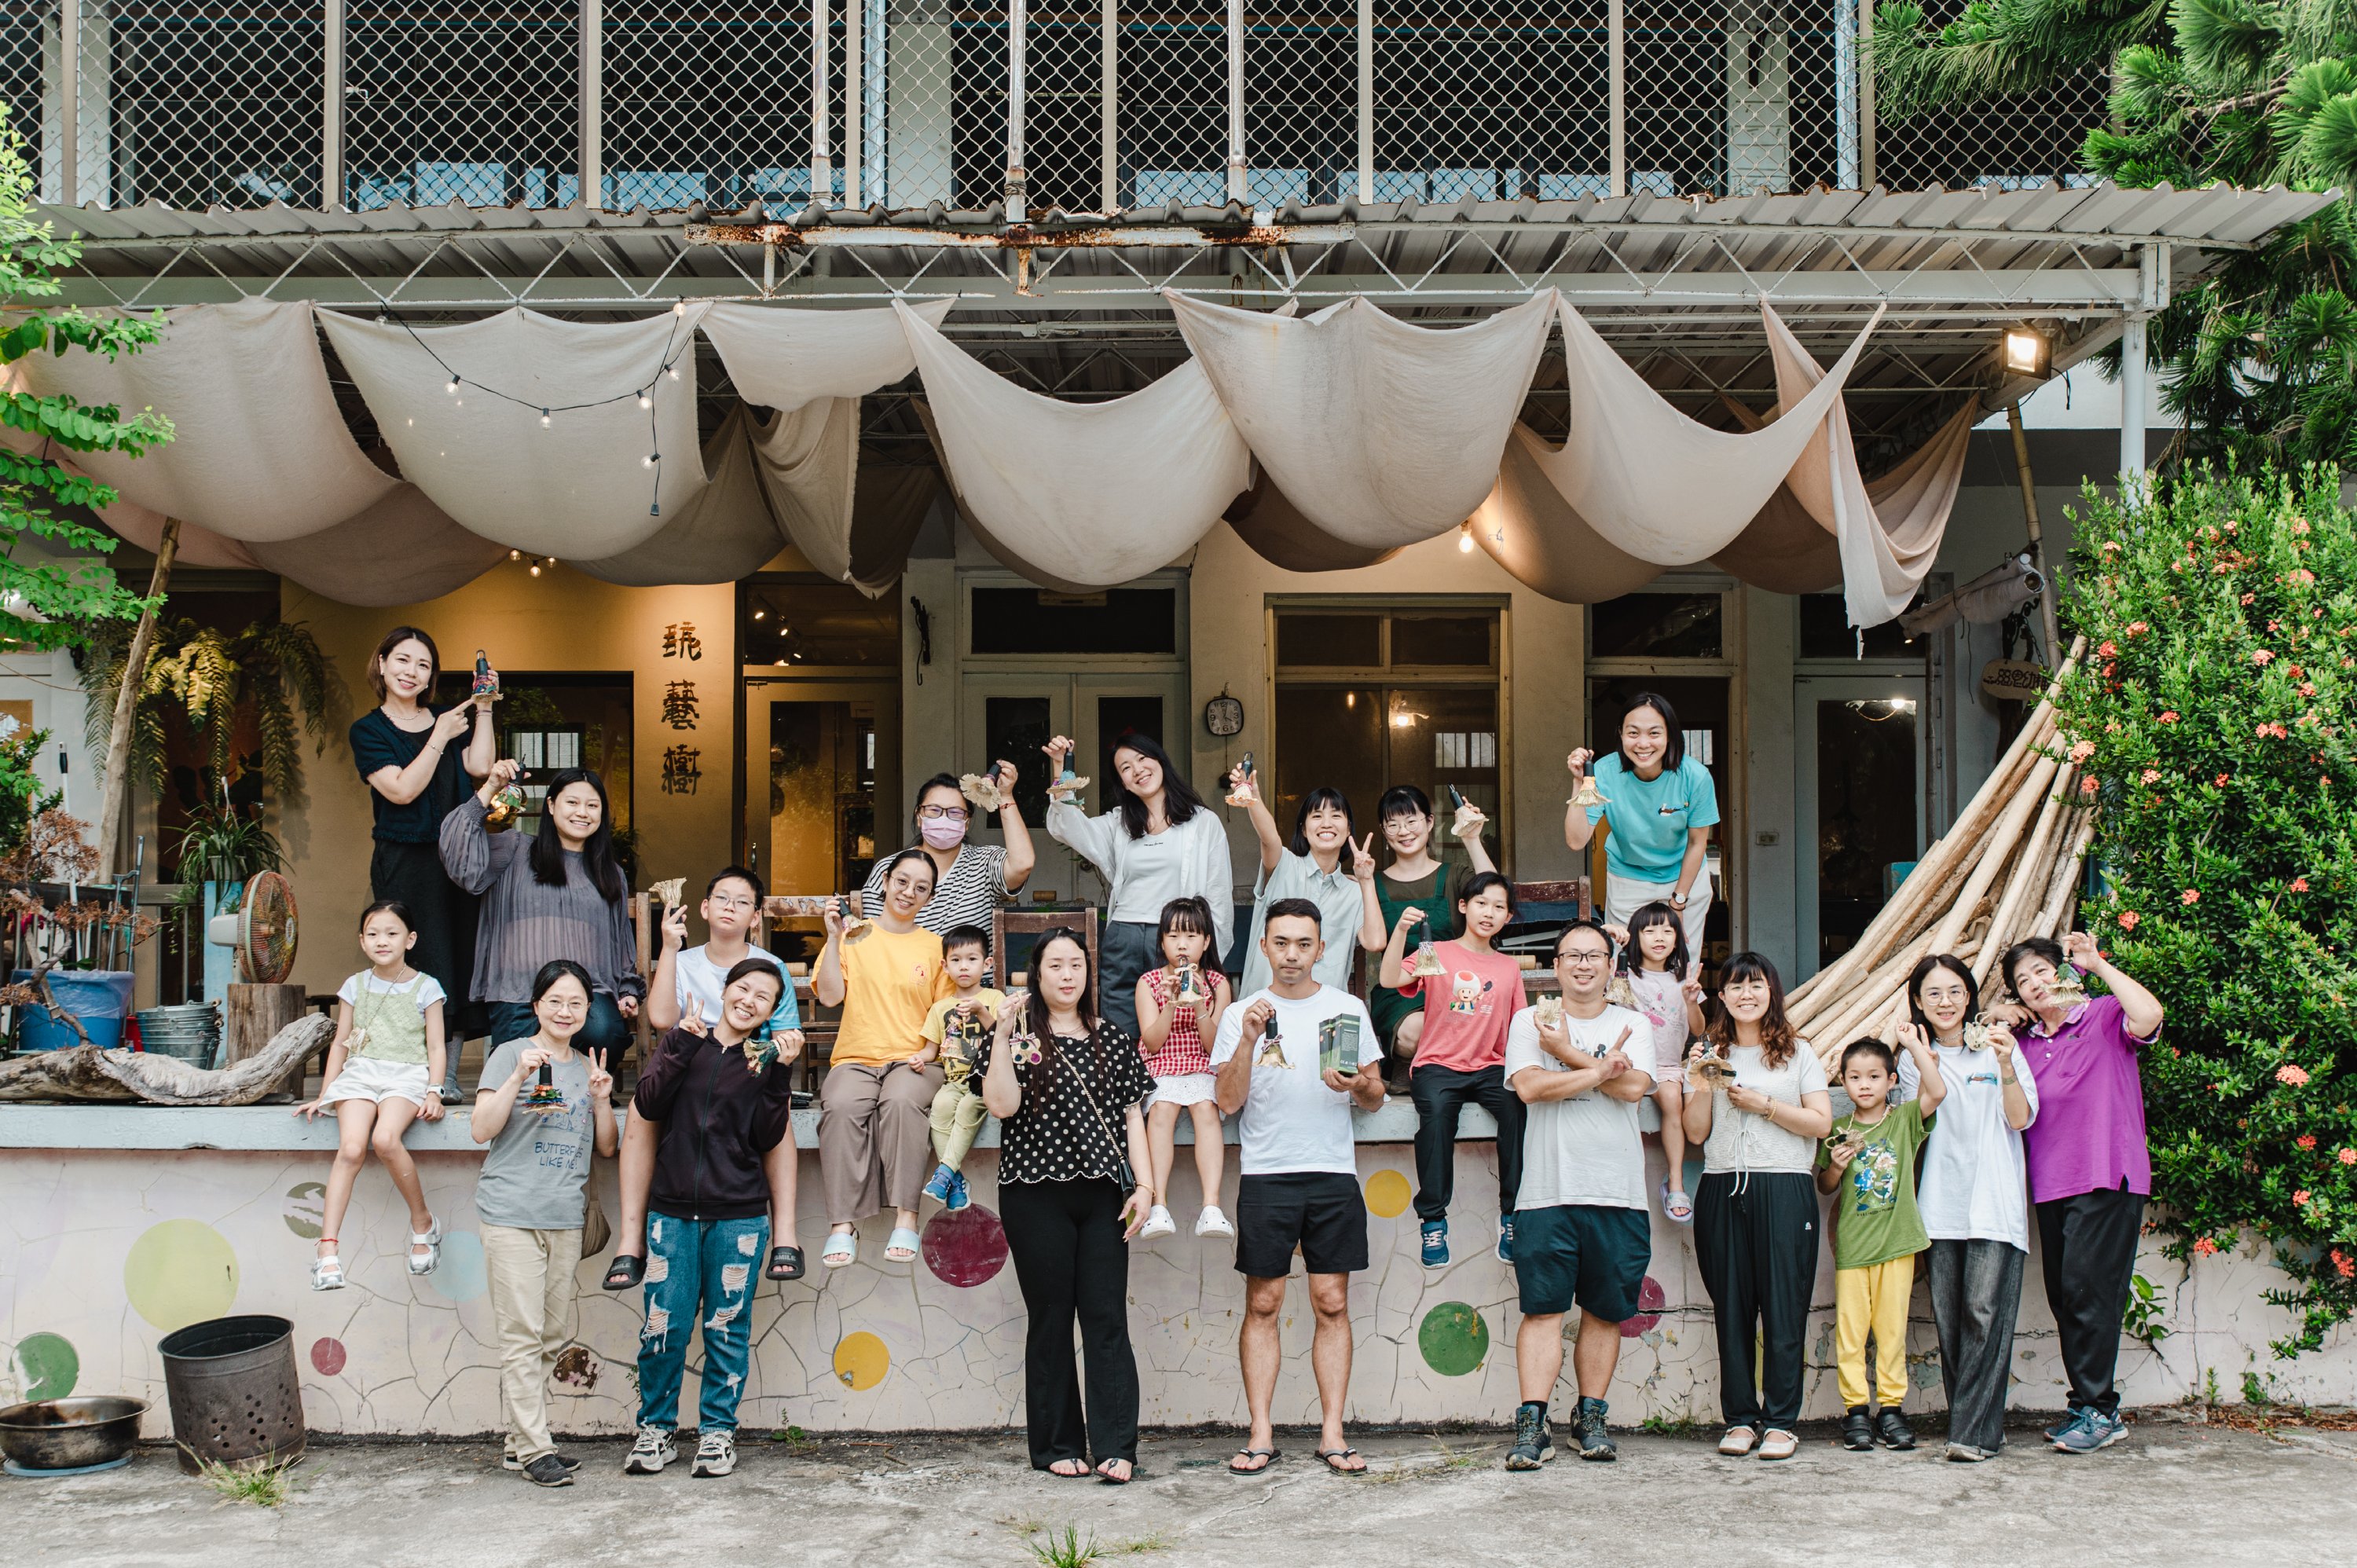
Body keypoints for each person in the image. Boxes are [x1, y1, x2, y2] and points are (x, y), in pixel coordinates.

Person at [1211, 898, 1387, 1475]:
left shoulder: (1345, 1007)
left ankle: (1332, 1433)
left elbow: (1375, 1096)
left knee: (1331, 1303)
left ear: (1320, 948)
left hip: (1333, 1172)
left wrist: (1358, 1083)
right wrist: (1247, 1042)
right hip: (1267, 1174)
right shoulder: (1242, 1013)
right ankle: (1260, 1432)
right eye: (1281, 943)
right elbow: (1227, 1102)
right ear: (1263, 946)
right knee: (1263, 1302)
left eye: (1303, 944)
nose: (1291, 955)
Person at [979, 929, 1157, 1482]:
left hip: (1104, 1194)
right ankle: (1057, 1443)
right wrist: (1004, 1034)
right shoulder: (1014, 1037)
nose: (1066, 975)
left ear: (1088, 972)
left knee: (1106, 1319)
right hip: (1034, 1193)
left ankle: (1116, 1446)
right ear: (1037, 974)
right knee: (1051, 1319)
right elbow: (1002, 1108)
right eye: (1054, 965)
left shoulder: (1113, 1038)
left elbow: (1133, 1118)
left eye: (1075, 964)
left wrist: (1146, 1189)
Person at [622, 960, 800, 1482]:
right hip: (671, 1215)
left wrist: (781, 1072)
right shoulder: (688, 1042)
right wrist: (677, 1043)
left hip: (738, 1217)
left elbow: (768, 1135)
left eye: (763, 997)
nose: (749, 1000)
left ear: (772, 1011)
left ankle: (717, 1434)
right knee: (663, 1329)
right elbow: (649, 1103)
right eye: (743, 988)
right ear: (724, 990)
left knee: (726, 1329)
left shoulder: (763, 1059)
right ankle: (656, 1429)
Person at [1501, 919, 1656, 1468]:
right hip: (1547, 1191)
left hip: (1619, 1193)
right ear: (1557, 965)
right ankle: (1532, 1423)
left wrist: (1566, 1054)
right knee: (1542, 1311)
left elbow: (1636, 1087)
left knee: (1604, 1311)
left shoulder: (1633, 1022)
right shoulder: (1531, 1019)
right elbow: (1530, 1089)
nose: (1584, 964)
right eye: (1573, 955)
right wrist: (1601, 1070)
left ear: (1611, 967)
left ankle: (1590, 1418)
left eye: (1595, 955)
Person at [2003, 930, 2165, 1456]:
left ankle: (2100, 1409)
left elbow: (2149, 1016)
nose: (2034, 985)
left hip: (2107, 1174)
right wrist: (1995, 1020)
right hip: (2052, 1184)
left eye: (2042, 972)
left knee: (2089, 1292)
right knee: (2066, 1295)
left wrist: (2097, 966)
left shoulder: (2101, 1015)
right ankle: (2086, 1405)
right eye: (2023, 981)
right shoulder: (2024, 1043)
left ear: (2063, 972)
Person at [606, 866, 804, 1291]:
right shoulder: (685, 958)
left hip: (749, 1064)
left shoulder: (771, 967)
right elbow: (661, 1019)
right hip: (689, 1060)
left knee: (779, 1114)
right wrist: (669, 948)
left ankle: (785, 1235)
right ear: (704, 907)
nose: (730, 907)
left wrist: (774, 1057)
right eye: (722, 898)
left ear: (756, 916)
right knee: (641, 1114)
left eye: (743, 901)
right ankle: (629, 1241)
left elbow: (787, 1030)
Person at [471, 959, 619, 1488]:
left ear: (587, 1011)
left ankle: (518, 1445)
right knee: (521, 1334)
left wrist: (603, 1101)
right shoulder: (511, 1054)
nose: (564, 1011)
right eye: (554, 1000)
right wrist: (517, 1079)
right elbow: (480, 1128)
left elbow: (606, 1149)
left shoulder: (585, 1066)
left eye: (575, 1002)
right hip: (511, 1213)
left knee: (551, 1335)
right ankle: (537, 1449)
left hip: (564, 1217)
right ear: (535, 1006)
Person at [1680, 951, 1830, 1462]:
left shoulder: (1798, 1053)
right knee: (1733, 1310)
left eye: (1757, 985)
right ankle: (1741, 1418)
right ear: (1721, 997)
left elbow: (1820, 1124)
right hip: (1723, 1187)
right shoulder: (1707, 1052)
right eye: (1736, 987)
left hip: (1785, 1187)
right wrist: (1702, 1082)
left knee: (1785, 1308)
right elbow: (1696, 1133)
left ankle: (1782, 1423)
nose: (1747, 994)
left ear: (1772, 992)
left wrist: (1764, 1105)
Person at [1895, 954, 2037, 1463]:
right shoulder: (1913, 1058)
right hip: (1941, 1205)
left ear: (1970, 995)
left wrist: (2004, 1064)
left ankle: (1968, 1434)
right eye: (1933, 993)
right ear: (1917, 1002)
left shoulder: (2000, 1047)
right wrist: (1914, 1050)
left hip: (1995, 1204)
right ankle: (1980, 1431)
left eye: (1955, 991)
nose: (1946, 1002)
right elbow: (1922, 1116)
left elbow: (2020, 1120)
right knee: (1951, 1321)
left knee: (1984, 1314)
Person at [350, 626, 493, 1100]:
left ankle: (446, 1076)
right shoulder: (369, 731)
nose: (412, 672)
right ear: (383, 663)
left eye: (424, 664)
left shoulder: (446, 719)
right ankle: (401, 1069)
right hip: (403, 860)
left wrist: (485, 708)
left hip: (456, 857)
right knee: (414, 960)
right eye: (403, 660)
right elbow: (402, 789)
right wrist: (439, 735)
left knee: (457, 958)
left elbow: (478, 766)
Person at [441, 761, 642, 1067]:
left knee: (607, 1036)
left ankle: (582, 1094)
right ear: (550, 805)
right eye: (572, 802)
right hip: (518, 992)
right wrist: (492, 786)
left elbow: (618, 938)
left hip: (585, 996)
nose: (582, 813)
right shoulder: (514, 848)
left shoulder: (609, 872)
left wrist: (627, 989)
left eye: (592, 805)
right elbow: (459, 855)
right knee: (519, 1070)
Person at [1376, 870, 1529, 1269]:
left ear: (1508, 918)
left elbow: (1519, 1026)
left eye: (1499, 907)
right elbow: (1390, 978)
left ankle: (1513, 1215)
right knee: (1438, 1117)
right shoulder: (1438, 953)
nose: (1489, 912)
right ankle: (1433, 1220)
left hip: (1490, 1066)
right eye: (1481, 903)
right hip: (1438, 1064)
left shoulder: (1509, 969)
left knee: (1517, 1110)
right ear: (1463, 907)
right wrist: (1400, 932)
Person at [295, 901, 449, 1289]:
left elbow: (435, 1047)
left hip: (406, 1076)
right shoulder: (354, 985)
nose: (383, 941)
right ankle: (327, 1250)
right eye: (373, 934)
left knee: (384, 1140)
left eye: (392, 933)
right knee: (350, 1149)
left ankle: (423, 1223)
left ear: (410, 940)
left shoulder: (426, 986)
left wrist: (434, 1090)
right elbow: (341, 1045)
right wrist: (325, 1093)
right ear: (362, 941)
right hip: (361, 1075)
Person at [812, 848, 954, 1268]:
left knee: (900, 1103)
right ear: (885, 882)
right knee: (839, 1104)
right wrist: (834, 937)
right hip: (856, 1058)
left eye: (921, 888)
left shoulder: (935, 948)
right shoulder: (854, 938)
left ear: (929, 897)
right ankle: (843, 1225)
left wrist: (926, 1054)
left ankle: (907, 1217)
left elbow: (946, 1015)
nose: (909, 892)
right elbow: (831, 996)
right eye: (902, 881)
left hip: (916, 1061)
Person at [1044, 731, 1233, 1039]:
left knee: (1175, 1028)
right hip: (1124, 935)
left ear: (1160, 761)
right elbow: (1067, 826)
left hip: (1174, 937)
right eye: (1125, 768)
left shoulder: (1202, 822)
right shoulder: (1119, 823)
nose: (1137, 769)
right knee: (1120, 1029)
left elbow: (1219, 894)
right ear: (1123, 782)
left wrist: (1211, 954)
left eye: (1142, 759)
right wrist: (1058, 769)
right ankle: (1126, 1085)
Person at [1816, 1035, 1944, 1453]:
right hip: (1853, 1246)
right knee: (1851, 1334)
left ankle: (1890, 1410)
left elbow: (1937, 1091)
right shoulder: (1837, 1130)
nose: (1864, 1085)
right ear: (1844, 1082)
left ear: (1891, 1080)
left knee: (1891, 1332)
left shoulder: (1904, 1120)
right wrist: (1835, 1168)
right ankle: (1856, 1411)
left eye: (1874, 1077)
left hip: (1898, 1244)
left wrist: (1917, 1048)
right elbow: (1825, 1186)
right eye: (1855, 1078)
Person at [1356, 785, 1497, 1086]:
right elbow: (1374, 942)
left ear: (1430, 822)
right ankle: (1459, 1067)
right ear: (1383, 830)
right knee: (1412, 1033)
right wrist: (1365, 883)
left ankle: (1424, 1073)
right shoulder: (1374, 882)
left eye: (1411, 821)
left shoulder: (1455, 875)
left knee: (1469, 1016)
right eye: (1392, 824)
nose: (1403, 831)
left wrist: (1471, 837)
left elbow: (1492, 897)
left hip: (1459, 985)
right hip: (1399, 990)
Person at [1564, 691, 1719, 961]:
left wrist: (1679, 901)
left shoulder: (1695, 776)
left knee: (1683, 963)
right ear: (1621, 735)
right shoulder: (1604, 772)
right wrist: (1579, 782)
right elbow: (1576, 841)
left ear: (1670, 735)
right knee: (1622, 962)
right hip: (1628, 876)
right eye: (1633, 733)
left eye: (1654, 733)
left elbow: (1697, 843)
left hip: (1685, 876)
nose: (1643, 743)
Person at [1133, 896, 1234, 1241]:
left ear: (1206, 942)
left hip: (1202, 1062)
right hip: (1161, 1062)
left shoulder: (1219, 984)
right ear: (1162, 941)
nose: (1182, 945)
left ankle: (1212, 1207)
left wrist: (1200, 1006)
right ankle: (1159, 1206)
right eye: (1174, 936)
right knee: (1161, 1110)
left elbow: (1213, 1046)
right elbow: (1152, 1043)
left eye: (1191, 936)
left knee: (1206, 1109)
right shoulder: (1148, 983)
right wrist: (1173, 1004)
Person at [1607, 901, 1709, 1224]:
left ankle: (1675, 1182)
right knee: (1628, 1105)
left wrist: (1692, 1001)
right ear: (1636, 938)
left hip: (1666, 1064)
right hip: (1632, 1063)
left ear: (1678, 938)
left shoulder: (1683, 980)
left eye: (1667, 930)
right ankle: (1626, 1178)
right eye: (1648, 930)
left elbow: (1698, 1030)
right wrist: (1612, 942)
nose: (1659, 936)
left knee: (1671, 1102)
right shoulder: (1623, 973)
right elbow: (1602, 986)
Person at [861, 765, 1036, 947]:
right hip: (903, 975)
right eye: (934, 810)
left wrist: (1005, 796)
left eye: (955, 812)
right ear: (919, 816)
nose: (943, 819)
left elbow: (1022, 864)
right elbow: (871, 937)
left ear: (967, 822)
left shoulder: (984, 863)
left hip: (969, 977)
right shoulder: (890, 868)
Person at [1232, 775, 1373, 998]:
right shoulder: (1284, 865)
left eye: (1336, 816)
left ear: (1348, 830)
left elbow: (1374, 942)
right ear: (1304, 830)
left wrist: (1367, 882)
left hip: (1324, 1015)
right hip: (1264, 1009)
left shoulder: (1354, 891)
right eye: (1317, 816)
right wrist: (1254, 796)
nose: (1326, 823)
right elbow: (1269, 838)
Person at [918, 924, 1008, 1214]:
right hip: (953, 1081)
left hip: (986, 1081)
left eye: (972, 959)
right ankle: (955, 1182)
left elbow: (1004, 1039)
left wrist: (981, 1011)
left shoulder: (995, 999)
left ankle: (944, 1174)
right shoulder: (940, 1008)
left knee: (969, 1108)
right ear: (945, 966)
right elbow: (931, 1049)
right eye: (956, 960)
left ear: (987, 963)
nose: (964, 967)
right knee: (941, 1109)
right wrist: (919, 1058)